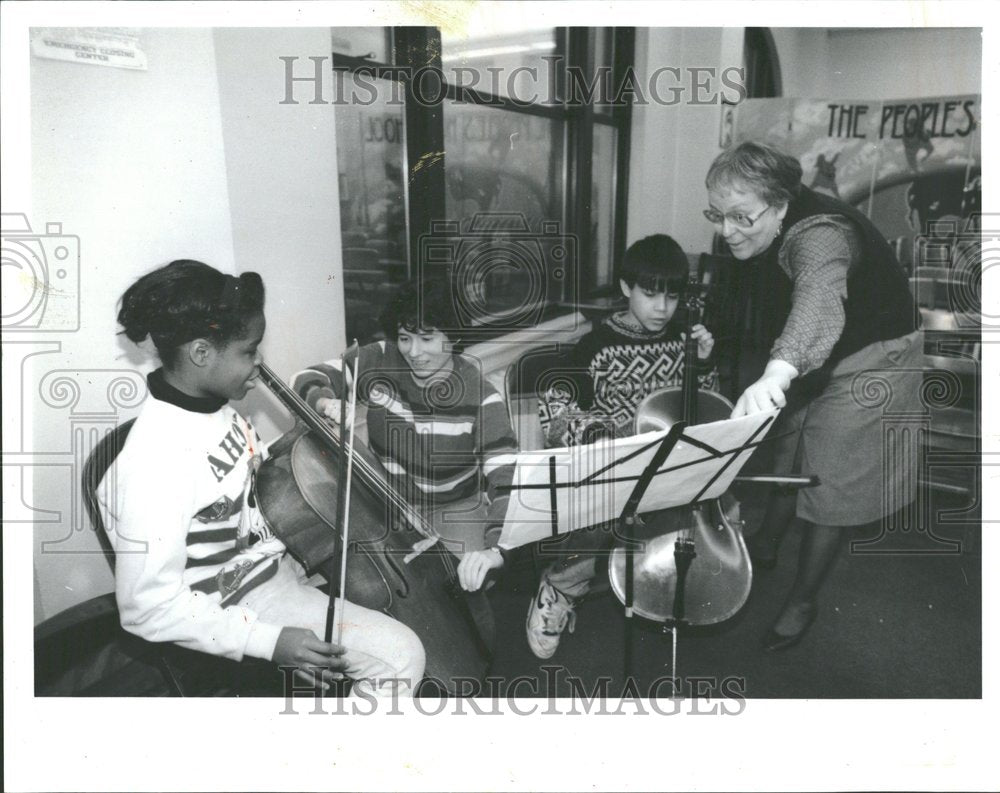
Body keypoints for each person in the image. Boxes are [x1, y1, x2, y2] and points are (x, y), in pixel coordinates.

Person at [100, 260, 425, 696]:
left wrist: (310, 453)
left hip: (280, 564)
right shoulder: (155, 462)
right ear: (200, 354)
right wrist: (269, 643)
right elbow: (146, 607)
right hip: (239, 601)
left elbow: (248, 482)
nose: (260, 364)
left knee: (403, 610)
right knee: (402, 656)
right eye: (249, 351)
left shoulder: (216, 409)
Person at [704, 141, 923, 651]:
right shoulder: (765, 220)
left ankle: (803, 599)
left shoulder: (819, 233)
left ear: (782, 203)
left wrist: (777, 373)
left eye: (740, 217)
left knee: (829, 483)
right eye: (717, 214)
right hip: (812, 350)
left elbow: (819, 299)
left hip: (874, 355)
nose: (725, 230)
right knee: (787, 447)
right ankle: (769, 542)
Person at [525, 234, 717, 658]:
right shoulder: (596, 346)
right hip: (618, 468)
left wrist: (701, 364)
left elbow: (708, 408)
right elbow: (555, 407)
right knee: (595, 520)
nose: (662, 308)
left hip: (671, 468)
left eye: (671, 297)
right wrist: (601, 436)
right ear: (626, 288)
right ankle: (559, 586)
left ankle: (667, 586)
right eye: (650, 295)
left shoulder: (686, 338)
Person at [292, 276, 518, 592]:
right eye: (405, 338)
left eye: (427, 338)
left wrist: (495, 550)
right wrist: (326, 400)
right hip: (385, 498)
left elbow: (507, 479)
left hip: (453, 506)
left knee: (467, 585)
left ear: (452, 336)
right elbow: (306, 377)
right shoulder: (381, 359)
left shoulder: (481, 397)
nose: (413, 352)